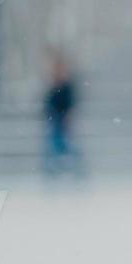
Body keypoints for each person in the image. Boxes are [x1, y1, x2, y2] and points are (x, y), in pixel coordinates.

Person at [41, 46, 82, 178]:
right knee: (54, 145)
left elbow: (70, 103)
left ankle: (75, 171)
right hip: (55, 120)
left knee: (66, 145)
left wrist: (68, 115)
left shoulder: (67, 87)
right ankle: (53, 171)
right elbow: (48, 103)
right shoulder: (54, 86)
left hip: (62, 120)